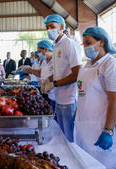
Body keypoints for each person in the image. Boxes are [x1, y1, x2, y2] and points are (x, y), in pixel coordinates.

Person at [74, 26, 116, 169]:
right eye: (84, 43)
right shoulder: (88, 65)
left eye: (88, 43)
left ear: (101, 42)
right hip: (87, 125)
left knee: (103, 164)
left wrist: (108, 131)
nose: (85, 47)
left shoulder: (111, 66)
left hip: (107, 126)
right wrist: (78, 112)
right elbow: (84, 92)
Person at [42, 14, 82, 142]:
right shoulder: (56, 47)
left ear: (62, 27)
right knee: (63, 135)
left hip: (69, 99)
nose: (49, 30)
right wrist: (48, 79)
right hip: (59, 98)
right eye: (47, 27)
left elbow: (77, 74)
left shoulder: (69, 45)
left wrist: (54, 84)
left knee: (70, 138)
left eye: (52, 27)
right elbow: (59, 71)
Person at [25, 40, 55, 111]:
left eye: (39, 51)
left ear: (46, 49)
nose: (38, 54)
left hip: (55, 94)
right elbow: (40, 72)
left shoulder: (55, 60)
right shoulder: (44, 61)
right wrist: (30, 70)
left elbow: (59, 75)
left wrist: (49, 83)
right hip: (46, 92)